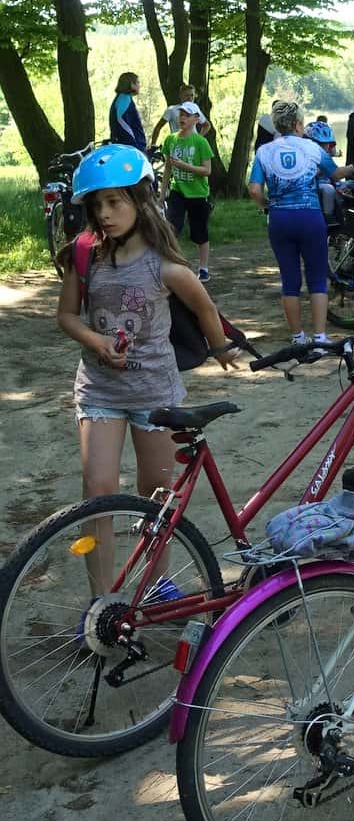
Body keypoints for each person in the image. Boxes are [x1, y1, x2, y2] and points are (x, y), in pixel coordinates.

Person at [56, 145, 238, 592]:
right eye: (96, 205)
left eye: (114, 202)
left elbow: (205, 307)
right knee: (97, 495)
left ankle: (155, 588)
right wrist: (96, 341)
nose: (104, 214)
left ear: (140, 200)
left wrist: (220, 349)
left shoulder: (166, 267)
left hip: (155, 395)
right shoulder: (85, 256)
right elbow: (66, 316)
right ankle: (101, 601)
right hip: (99, 391)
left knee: (157, 497)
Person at [249, 101, 354, 344]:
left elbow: (254, 189)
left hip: (279, 218)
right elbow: (336, 173)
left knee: (290, 280)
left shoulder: (264, 151)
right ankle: (319, 337)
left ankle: (298, 337)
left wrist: (266, 205)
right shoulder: (311, 148)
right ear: (298, 124)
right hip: (309, 217)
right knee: (317, 278)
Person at [162, 102, 215, 281]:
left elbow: (207, 170)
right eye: (181, 114)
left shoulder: (201, 142)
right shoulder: (170, 140)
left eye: (187, 115)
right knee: (171, 228)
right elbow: (167, 168)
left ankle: (203, 268)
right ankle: (173, 266)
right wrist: (161, 195)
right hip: (177, 191)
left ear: (196, 119)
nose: (182, 117)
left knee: (199, 232)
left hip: (198, 194)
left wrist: (185, 166)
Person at [150, 84, 214, 144]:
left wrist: (198, 138)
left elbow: (207, 125)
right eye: (187, 95)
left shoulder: (195, 109)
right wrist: (153, 144)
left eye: (192, 95)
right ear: (180, 96)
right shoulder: (172, 110)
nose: (189, 98)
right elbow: (158, 127)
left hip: (193, 145)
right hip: (178, 144)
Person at [108, 73, 148, 152]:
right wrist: (135, 147)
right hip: (131, 149)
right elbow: (123, 124)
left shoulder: (123, 98)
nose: (139, 85)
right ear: (131, 84)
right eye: (138, 82)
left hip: (130, 147)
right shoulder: (124, 99)